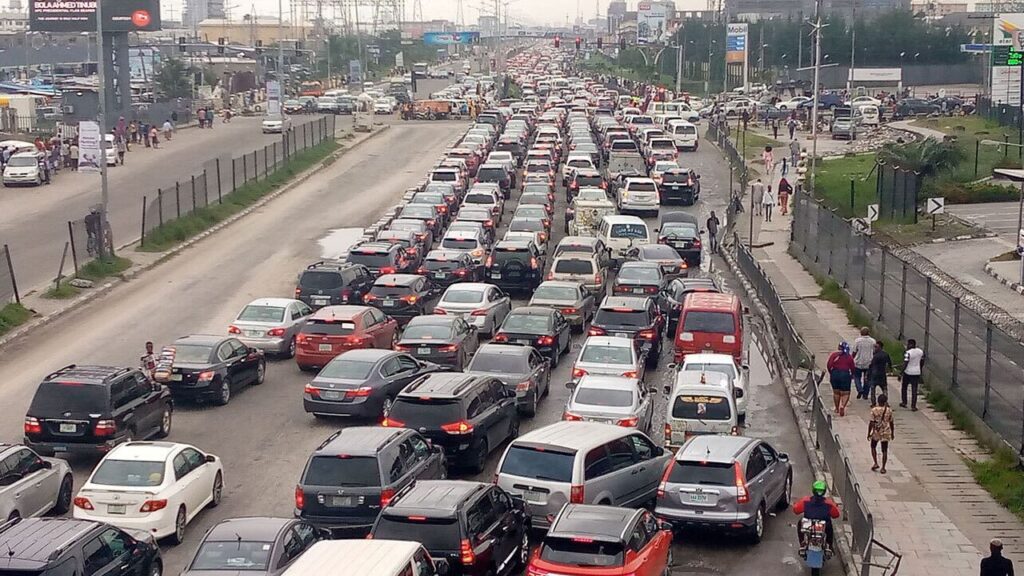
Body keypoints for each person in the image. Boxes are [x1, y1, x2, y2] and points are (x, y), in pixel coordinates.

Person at [792, 480, 840, 549]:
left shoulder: (806, 501)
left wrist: (795, 505)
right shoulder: (829, 503)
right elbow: (836, 515)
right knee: (830, 528)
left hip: (808, 525)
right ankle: (829, 546)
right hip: (824, 525)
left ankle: (802, 543)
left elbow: (796, 510)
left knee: (800, 523)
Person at [868, 393, 894, 474]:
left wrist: (869, 432)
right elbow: (891, 422)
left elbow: (871, 422)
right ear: (885, 401)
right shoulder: (889, 410)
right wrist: (892, 433)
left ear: (878, 401)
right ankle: (883, 467)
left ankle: (875, 462)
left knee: (873, 446)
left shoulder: (874, 410)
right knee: (884, 450)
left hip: (876, 431)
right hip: (886, 431)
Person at [827, 342, 855, 416]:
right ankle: (842, 406)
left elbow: (829, 365)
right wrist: (852, 375)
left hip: (835, 373)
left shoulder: (834, 355)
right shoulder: (849, 356)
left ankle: (836, 408)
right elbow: (852, 367)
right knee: (845, 393)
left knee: (836, 392)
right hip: (845, 374)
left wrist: (831, 373)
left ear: (839, 347)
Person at [900, 338, 924, 411]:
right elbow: (922, 361)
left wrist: (901, 372)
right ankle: (913, 406)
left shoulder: (908, 353)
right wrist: (920, 368)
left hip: (908, 372)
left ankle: (904, 402)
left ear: (911, 344)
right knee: (914, 389)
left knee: (904, 387)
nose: (907, 345)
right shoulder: (920, 351)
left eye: (908, 344)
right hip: (916, 372)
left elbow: (905, 363)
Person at [852, 327, 875, 400]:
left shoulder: (857, 341)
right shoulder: (873, 341)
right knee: (867, 379)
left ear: (861, 333)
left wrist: (851, 359)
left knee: (856, 377)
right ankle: (865, 394)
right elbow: (874, 351)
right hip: (869, 363)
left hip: (858, 362)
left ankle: (860, 389)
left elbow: (854, 351)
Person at [868, 340, 892, 405]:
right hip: (882, 374)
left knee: (873, 390)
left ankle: (873, 403)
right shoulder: (886, 354)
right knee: (884, 389)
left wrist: (868, 375)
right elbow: (889, 364)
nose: (875, 348)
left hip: (875, 374)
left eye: (876, 347)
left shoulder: (875, 356)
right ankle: (885, 402)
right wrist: (890, 370)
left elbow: (871, 365)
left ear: (880, 347)